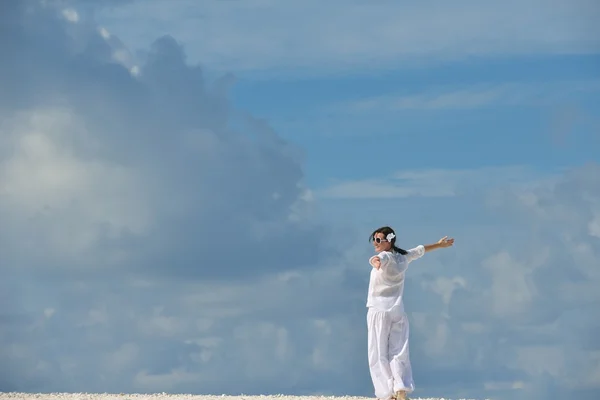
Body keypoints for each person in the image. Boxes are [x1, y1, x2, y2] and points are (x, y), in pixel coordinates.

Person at [366, 226, 454, 400]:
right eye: (374, 239)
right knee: (398, 350)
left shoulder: (384, 256)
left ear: (388, 241)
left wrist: (375, 262)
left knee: (378, 352)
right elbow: (420, 250)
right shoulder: (403, 257)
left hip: (378, 310)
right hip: (397, 310)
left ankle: (387, 392)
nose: (375, 243)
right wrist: (438, 245)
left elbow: (378, 258)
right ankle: (401, 388)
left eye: (378, 240)